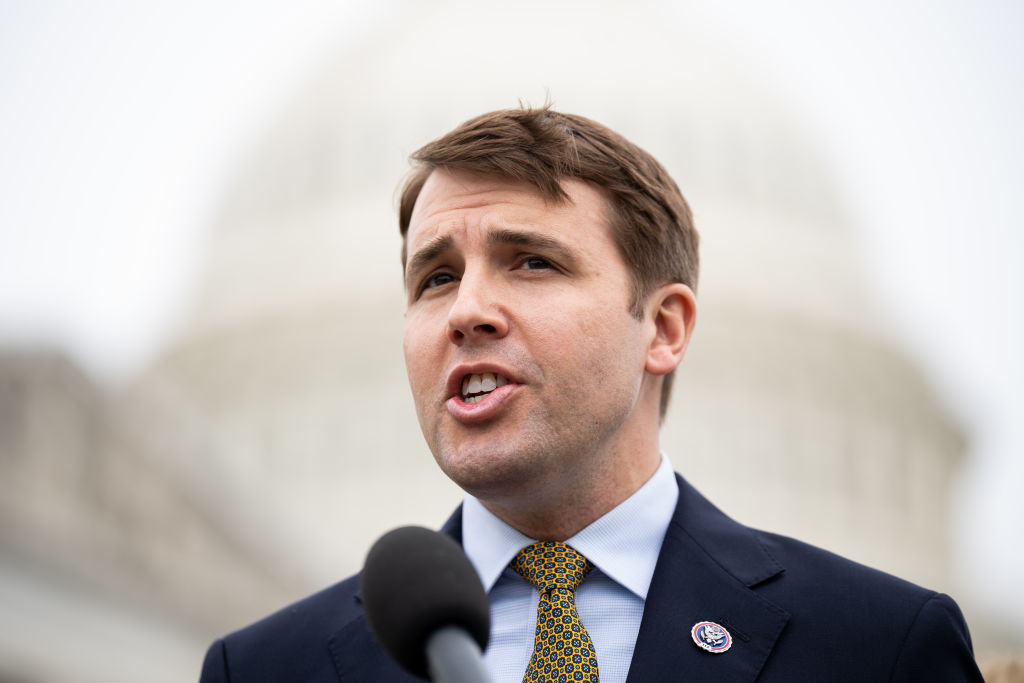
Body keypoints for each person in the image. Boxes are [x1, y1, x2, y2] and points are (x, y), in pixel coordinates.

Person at [199, 106, 984, 682]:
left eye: (532, 261)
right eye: (435, 276)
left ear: (665, 328)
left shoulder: (877, 649)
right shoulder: (268, 668)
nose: (468, 309)